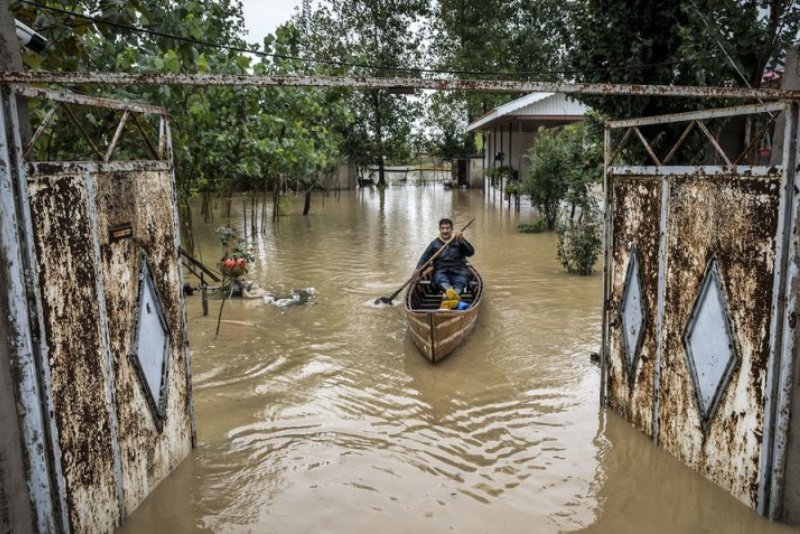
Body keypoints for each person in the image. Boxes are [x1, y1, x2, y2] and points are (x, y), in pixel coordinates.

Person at [414, 218, 475, 309]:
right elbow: (424, 258)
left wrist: (462, 240)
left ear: (451, 229)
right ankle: (451, 294)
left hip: (459, 269)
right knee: (440, 278)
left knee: (461, 281)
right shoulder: (434, 244)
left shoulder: (458, 240)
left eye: (447, 228)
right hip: (441, 270)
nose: (445, 231)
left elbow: (470, 252)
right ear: (439, 229)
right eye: (442, 228)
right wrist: (418, 269)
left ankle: (450, 298)